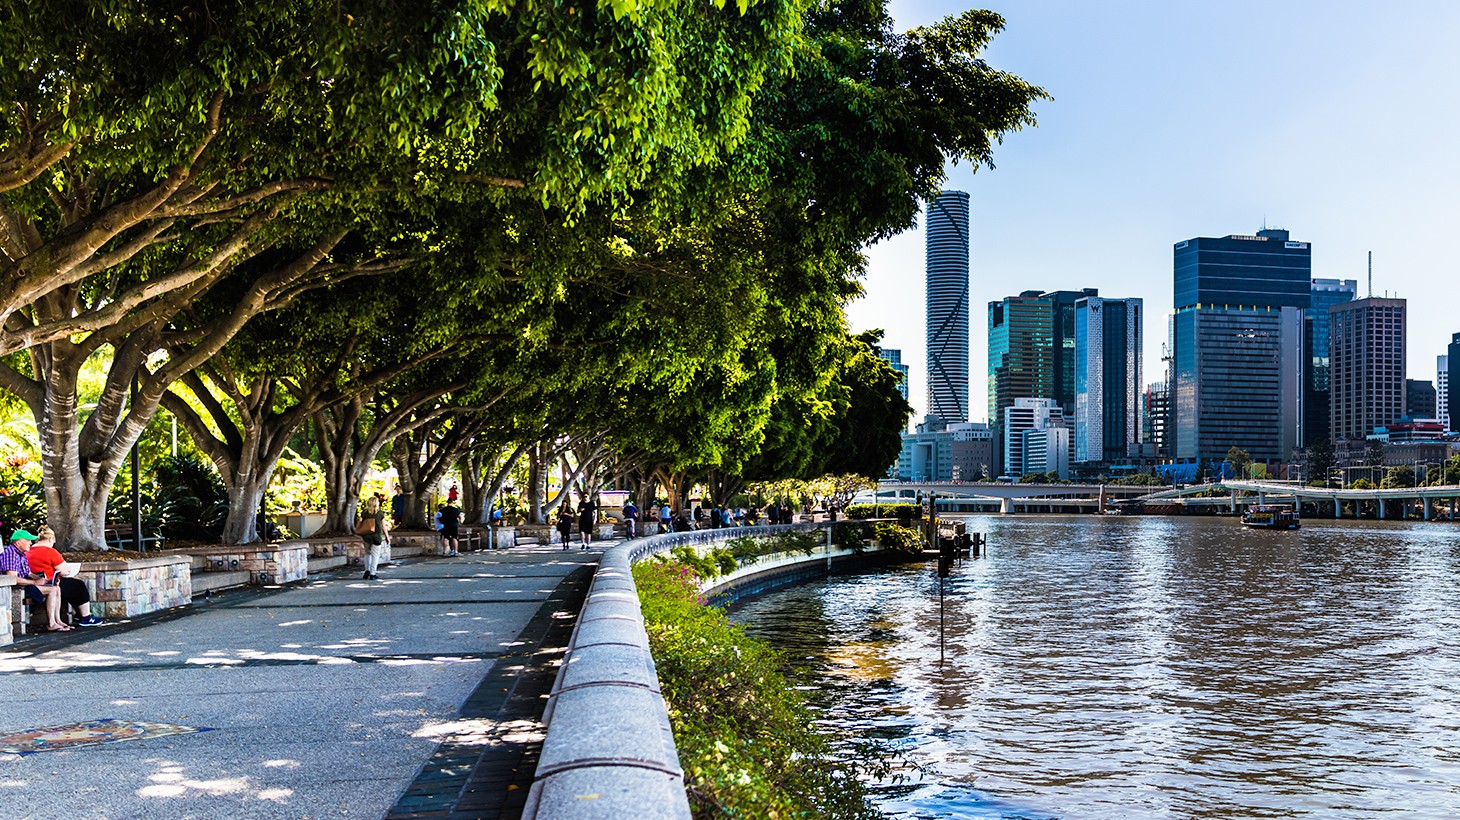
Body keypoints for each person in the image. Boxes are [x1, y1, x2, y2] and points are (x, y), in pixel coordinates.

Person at [27, 526, 102, 627]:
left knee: (70, 586)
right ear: (51, 539)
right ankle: (86, 617)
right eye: (54, 541)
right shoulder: (50, 552)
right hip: (50, 583)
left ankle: (78, 615)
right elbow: (65, 571)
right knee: (78, 586)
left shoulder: (28, 551)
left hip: (34, 583)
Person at [0, 529, 68, 631]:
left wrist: (45, 580)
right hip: (17, 588)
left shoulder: (21, 553)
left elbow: (29, 573)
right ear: (18, 543)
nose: (31, 543)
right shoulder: (11, 554)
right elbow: (12, 578)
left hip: (25, 584)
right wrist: (34, 582)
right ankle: (51, 623)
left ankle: (57, 621)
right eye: (28, 540)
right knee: (52, 590)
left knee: (56, 587)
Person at [360, 496, 389, 580]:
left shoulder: (364, 513)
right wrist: (387, 537)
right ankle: (373, 574)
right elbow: (384, 526)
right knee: (375, 555)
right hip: (376, 537)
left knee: (367, 553)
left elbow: (360, 522)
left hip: (366, 536)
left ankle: (367, 571)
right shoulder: (379, 513)